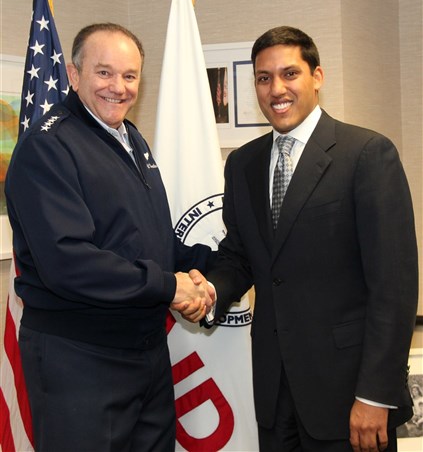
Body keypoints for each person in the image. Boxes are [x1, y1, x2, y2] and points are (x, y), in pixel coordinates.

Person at [202, 26, 418, 451]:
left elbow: (393, 288)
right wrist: (209, 289)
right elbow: (242, 256)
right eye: (264, 78)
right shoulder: (243, 164)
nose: (276, 89)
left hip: (349, 397)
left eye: (289, 74)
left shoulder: (367, 155)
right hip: (274, 395)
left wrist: (375, 395)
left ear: (317, 76)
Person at [5, 22, 215, 452]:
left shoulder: (129, 138)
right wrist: (168, 286)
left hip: (146, 353)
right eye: (104, 72)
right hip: (81, 359)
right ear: (74, 74)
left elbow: (148, 240)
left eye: (130, 75)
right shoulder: (48, 147)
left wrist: (208, 269)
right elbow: (69, 262)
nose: (118, 87)